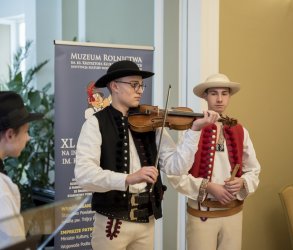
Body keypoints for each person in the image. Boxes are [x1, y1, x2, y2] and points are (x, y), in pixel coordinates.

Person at [74, 60, 219, 250]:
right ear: (114, 86)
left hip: (146, 220)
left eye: (141, 85)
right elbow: (84, 175)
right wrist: (128, 178)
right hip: (112, 223)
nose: (140, 90)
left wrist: (194, 131)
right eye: (134, 84)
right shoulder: (95, 124)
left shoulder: (152, 123)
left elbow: (177, 167)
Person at [168, 73, 261, 250]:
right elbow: (176, 175)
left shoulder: (241, 130)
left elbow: (253, 170)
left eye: (224, 93)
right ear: (205, 96)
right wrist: (208, 186)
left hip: (234, 213)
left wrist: (242, 182)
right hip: (202, 213)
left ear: (229, 96)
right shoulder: (192, 130)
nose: (219, 99)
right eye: (213, 93)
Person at [0, 91, 43, 248]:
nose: (28, 138)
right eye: (26, 131)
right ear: (10, 134)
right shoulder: (2, 191)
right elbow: (14, 244)